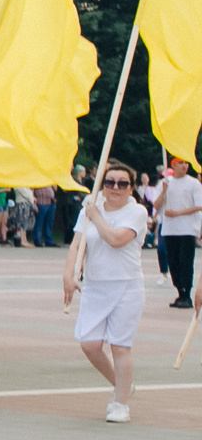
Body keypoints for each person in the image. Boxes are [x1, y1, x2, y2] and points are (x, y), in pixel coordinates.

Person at [64, 160, 149, 422]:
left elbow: (116, 240)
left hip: (126, 286)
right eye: (110, 182)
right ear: (102, 184)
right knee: (89, 344)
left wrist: (96, 216)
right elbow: (77, 244)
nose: (115, 187)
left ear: (131, 188)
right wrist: (68, 274)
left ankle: (121, 403)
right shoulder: (90, 207)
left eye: (122, 183)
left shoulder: (136, 212)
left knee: (120, 347)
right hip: (95, 286)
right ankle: (121, 384)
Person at [156, 158, 200, 309]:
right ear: (173, 165)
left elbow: (198, 206)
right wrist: (163, 190)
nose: (184, 166)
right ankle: (179, 291)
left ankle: (186, 293)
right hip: (170, 229)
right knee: (173, 261)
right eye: (181, 163)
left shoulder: (193, 183)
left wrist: (177, 213)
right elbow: (156, 204)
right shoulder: (166, 183)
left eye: (186, 163)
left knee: (185, 261)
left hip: (187, 229)